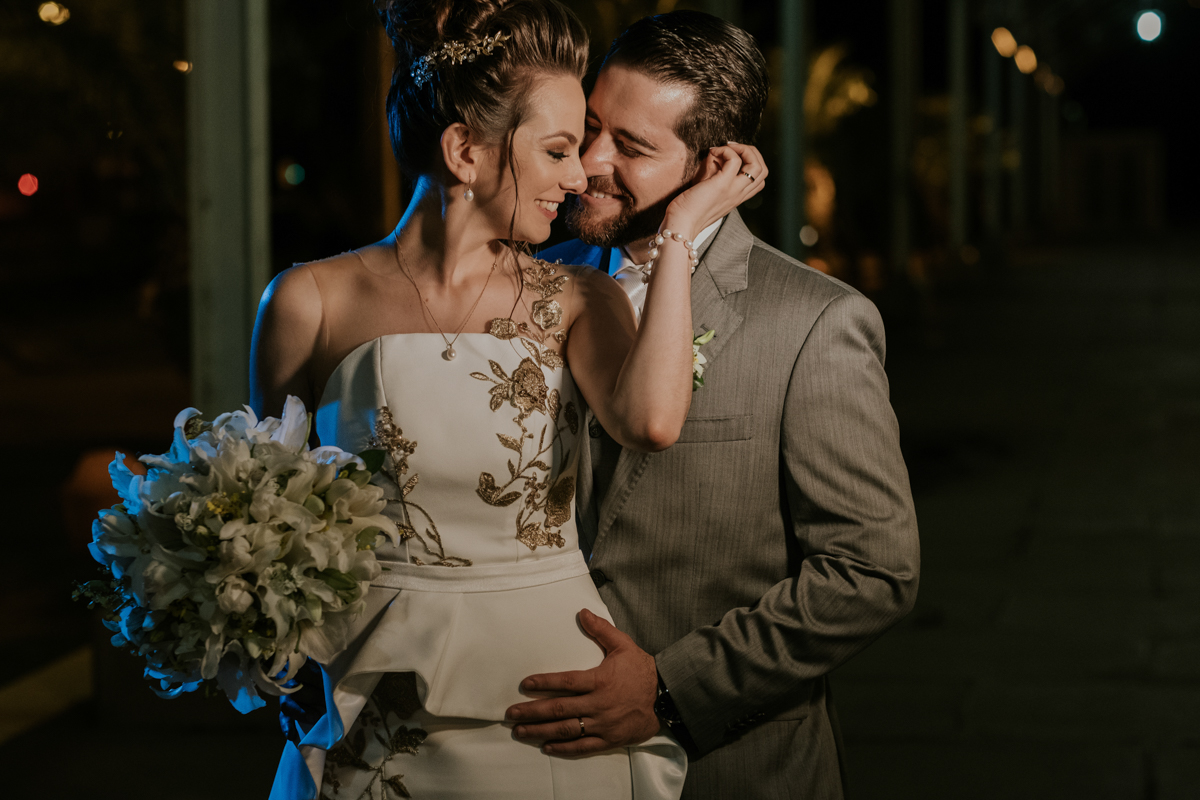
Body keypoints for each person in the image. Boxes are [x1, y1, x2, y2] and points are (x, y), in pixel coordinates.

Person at [252, 1, 764, 798]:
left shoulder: (581, 299)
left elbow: (653, 422)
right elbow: (265, 515)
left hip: (545, 694)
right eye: (559, 148)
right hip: (373, 695)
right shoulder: (306, 302)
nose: (579, 173)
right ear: (464, 151)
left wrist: (685, 226)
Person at [505, 12, 921, 800]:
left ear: (715, 165)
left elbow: (872, 571)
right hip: (526, 753)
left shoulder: (815, 323)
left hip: (730, 770)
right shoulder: (526, 280)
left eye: (632, 147)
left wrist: (668, 689)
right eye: (591, 127)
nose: (592, 161)